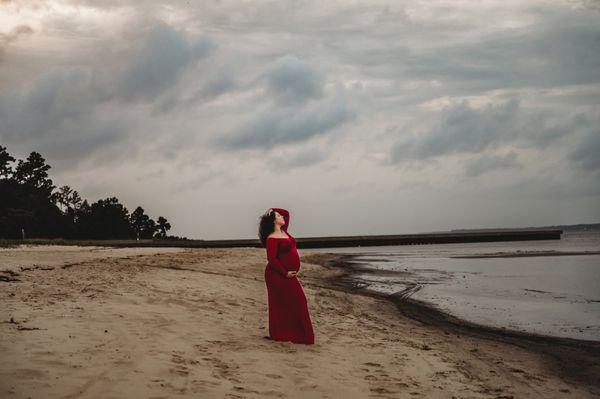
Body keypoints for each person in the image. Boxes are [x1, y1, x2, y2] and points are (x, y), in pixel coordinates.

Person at [258, 207, 315, 345]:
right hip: (277, 275)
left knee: (297, 301)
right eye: (278, 216)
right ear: (274, 221)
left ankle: (300, 335)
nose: (282, 217)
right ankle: (284, 334)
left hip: (287, 275)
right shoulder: (272, 238)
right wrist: (285, 272)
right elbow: (272, 259)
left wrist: (272, 209)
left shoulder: (284, 231)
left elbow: (287, 213)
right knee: (284, 303)